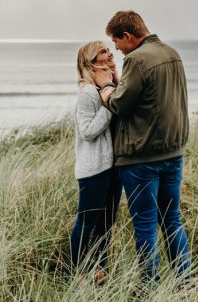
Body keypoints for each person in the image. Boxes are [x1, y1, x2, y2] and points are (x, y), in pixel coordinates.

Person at [99, 10, 192, 284]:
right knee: (172, 220)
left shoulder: (137, 59)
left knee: (145, 226)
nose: (117, 49)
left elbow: (120, 105)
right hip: (173, 153)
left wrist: (106, 88)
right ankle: (185, 284)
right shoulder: (172, 53)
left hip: (142, 157)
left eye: (116, 42)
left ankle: (149, 288)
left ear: (128, 36)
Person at [70, 41, 122, 283]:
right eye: (103, 51)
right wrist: (107, 105)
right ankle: (78, 274)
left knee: (106, 223)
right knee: (86, 223)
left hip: (111, 167)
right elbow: (88, 131)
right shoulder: (88, 92)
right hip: (94, 169)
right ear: (91, 62)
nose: (109, 52)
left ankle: (101, 273)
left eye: (108, 49)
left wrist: (113, 84)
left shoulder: (107, 88)